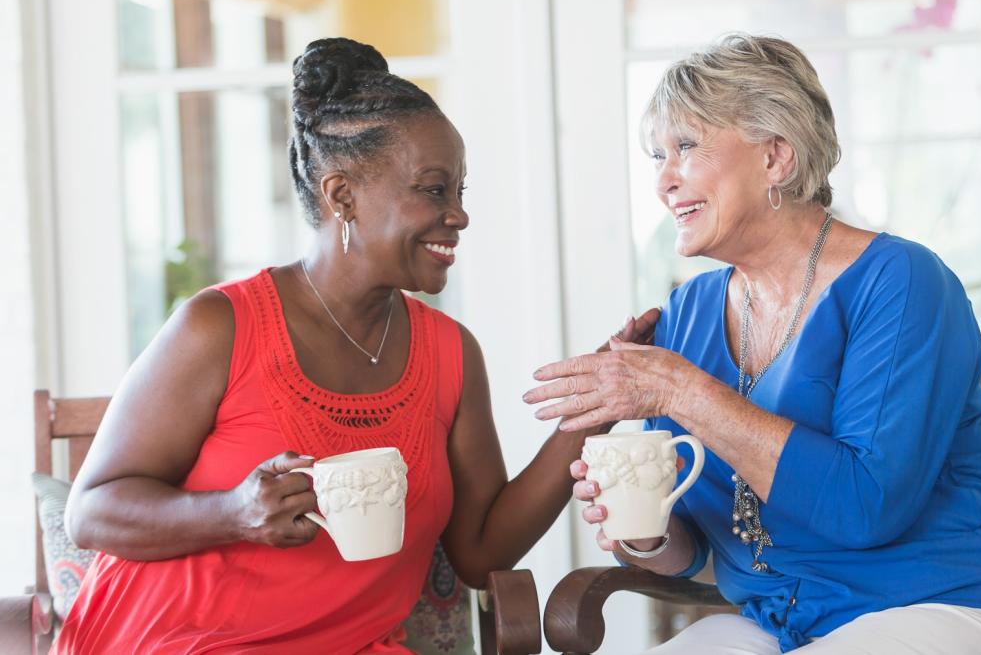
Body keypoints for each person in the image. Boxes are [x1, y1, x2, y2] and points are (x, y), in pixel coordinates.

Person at [54, 37, 657, 654]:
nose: (459, 215)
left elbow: (480, 554)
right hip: (173, 641)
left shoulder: (450, 354)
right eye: (433, 189)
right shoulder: (220, 325)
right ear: (341, 195)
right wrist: (233, 512)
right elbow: (93, 512)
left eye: (460, 192)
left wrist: (597, 407)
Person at [524, 34, 981, 654]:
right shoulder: (688, 313)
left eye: (687, 147)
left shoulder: (903, 282)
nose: (664, 181)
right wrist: (644, 531)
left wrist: (677, 386)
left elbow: (866, 507)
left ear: (775, 158)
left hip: (948, 604)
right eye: (657, 156)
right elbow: (702, 547)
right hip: (780, 625)